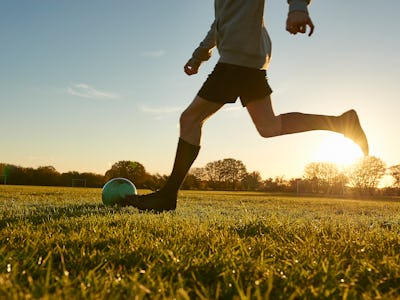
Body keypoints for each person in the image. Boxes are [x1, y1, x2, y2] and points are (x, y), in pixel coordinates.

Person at [122, 0, 369, 212]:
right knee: (269, 127)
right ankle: (341, 123)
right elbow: (220, 22)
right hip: (246, 58)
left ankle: (167, 196)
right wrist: (199, 55)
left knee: (190, 119)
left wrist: (297, 7)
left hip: (238, 58)